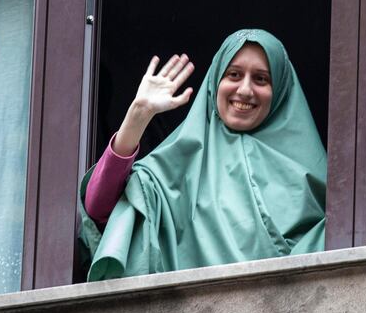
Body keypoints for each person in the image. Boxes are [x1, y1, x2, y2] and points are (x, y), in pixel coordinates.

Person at [79, 29, 326, 281]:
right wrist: (137, 116)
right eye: (234, 75)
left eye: (261, 79)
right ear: (215, 82)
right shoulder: (174, 167)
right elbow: (99, 208)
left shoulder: (311, 173)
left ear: (281, 90)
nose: (245, 89)